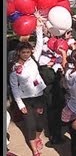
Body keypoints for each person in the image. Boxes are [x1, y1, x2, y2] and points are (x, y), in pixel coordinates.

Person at [9, 22, 47, 156]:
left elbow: (40, 44)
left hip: (39, 97)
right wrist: (20, 105)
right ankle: (34, 150)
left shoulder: (34, 59)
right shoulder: (14, 68)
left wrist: (38, 27)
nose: (26, 54)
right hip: (25, 100)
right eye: (23, 52)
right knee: (30, 125)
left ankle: (37, 138)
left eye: (28, 52)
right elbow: (14, 88)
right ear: (18, 52)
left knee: (40, 124)